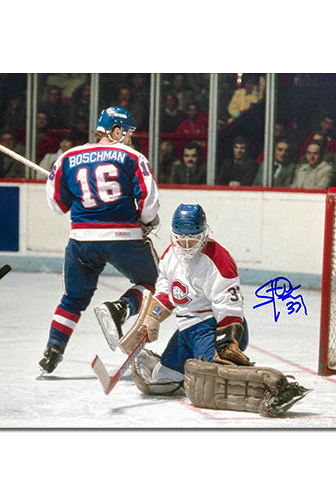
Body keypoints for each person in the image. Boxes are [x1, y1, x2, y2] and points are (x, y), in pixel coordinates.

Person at [39, 106, 160, 373]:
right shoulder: (132, 156)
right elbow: (148, 202)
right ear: (116, 131)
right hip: (122, 237)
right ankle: (121, 309)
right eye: (127, 133)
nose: (130, 138)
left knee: (72, 299)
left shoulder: (67, 157)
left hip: (81, 241)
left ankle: (53, 349)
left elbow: (58, 205)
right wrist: (146, 220)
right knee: (154, 283)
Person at [128, 203, 252, 396]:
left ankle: (246, 381)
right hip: (186, 330)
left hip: (212, 327)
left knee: (213, 378)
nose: (186, 246)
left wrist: (226, 342)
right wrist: (152, 318)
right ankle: (163, 363)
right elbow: (165, 295)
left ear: (203, 234)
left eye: (192, 240)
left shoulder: (218, 259)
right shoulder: (170, 256)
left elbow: (229, 307)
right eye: (180, 239)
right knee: (163, 378)